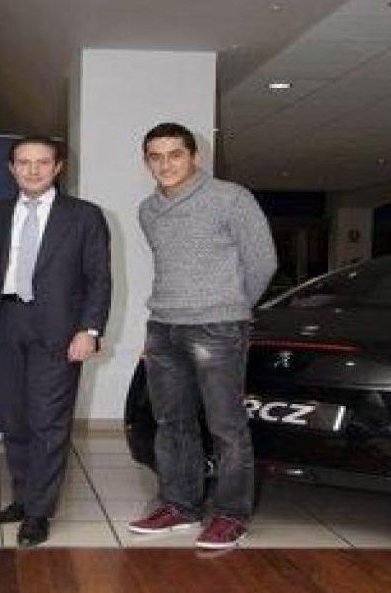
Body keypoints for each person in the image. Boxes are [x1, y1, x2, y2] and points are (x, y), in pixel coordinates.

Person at [127, 122, 277, 550]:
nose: (165, 164)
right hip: (163, 327)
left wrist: (232, 307)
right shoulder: (148, 210)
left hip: (218, 326)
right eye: (155, 157)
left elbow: (263, 262)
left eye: (175, 154)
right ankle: (180, 506)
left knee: (225, 426)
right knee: (171, 423)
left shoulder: (231, 198)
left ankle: (231, 515)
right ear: (147, 162)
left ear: (194, 156)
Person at [0, 135, 111, 547]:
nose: (33, 170)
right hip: (3, 324)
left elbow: (99, 279)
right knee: (15, 420)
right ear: (11, 168)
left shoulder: (84, 216)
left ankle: (38, 512)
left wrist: (90, 330)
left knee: (48, 422)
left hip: (59, 331)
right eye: (24, 162)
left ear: (57, 167)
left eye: (42, 162)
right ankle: (23, 497)